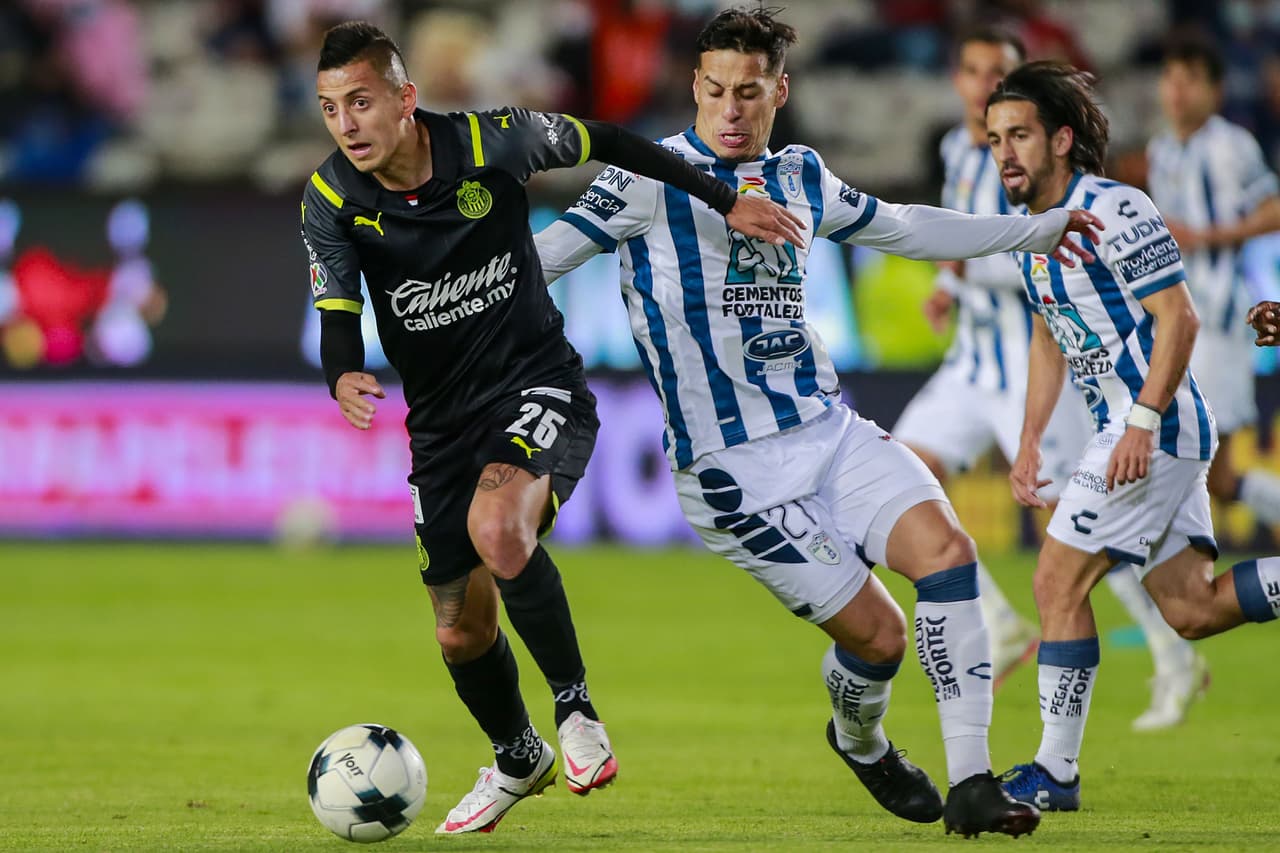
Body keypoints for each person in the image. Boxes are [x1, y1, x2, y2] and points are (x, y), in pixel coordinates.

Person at [536, 7, 1101, 838]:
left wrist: (1035, 231)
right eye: (716, 90)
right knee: (881, 640)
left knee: (949, 555)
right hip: (732, 472)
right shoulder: (647, 177)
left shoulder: (800, 173)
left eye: (749, 92)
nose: (730, 109)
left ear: (780, 92)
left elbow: (903, 226)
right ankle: (861, 740)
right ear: (694, 87)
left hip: (829, 431)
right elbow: (542, 259)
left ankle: (972, 783)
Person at [300, 21, 806, 835]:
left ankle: (577, 712)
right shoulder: (330, 198)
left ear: (405, 98)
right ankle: (518, 755)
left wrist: (726, 198)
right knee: (459, 629)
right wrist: (342, 372)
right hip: (440, 427)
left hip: (537, 384)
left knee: (499, 527)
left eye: (360, 102)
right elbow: (336, 303)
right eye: (330, 108)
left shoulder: (493, 141)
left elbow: (611, 141)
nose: (346, 124)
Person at [988, 61, 1280, 812]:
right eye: (994, 140)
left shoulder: (1115, 207)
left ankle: (1055, 771)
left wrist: (1142, 422)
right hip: (1128, 424)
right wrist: (1029, 438)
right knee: (1192, 609)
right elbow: (1049, 335)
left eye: (1019, 136)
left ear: (1061, 140)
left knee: (1055, 581)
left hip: (1154, 421)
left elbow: (1177, 317)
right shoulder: (1029, 228)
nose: (1004, 154)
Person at [899, 27, 1206, 732]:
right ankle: (998, 621)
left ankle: (1170, 651)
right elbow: (970, 247)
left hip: (1033, 360)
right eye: (973, 71)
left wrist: (970, 269)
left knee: (1076, 532)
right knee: (905, 474)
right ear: (958, 83)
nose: (984, 85)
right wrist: (948, 284)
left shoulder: (1053, 187)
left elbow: (1043, 275)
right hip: (970, 359)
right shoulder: (960, 153)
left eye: (998, 73)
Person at [1148, 34, 1280, 539]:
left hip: (1218, 324)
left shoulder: (1232, 145)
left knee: (1178, 461)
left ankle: (1167, 574)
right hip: (1175, 321)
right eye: (1171, 79)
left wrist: (1206, 236)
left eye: (1190, 81)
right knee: (1218, 479)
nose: (1177, 91)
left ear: (1215, 91)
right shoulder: (1161, 150)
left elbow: (1273, 210)